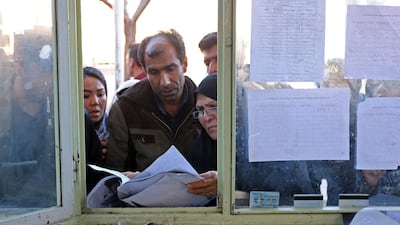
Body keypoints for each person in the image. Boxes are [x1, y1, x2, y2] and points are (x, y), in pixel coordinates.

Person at [105, 29, 201, 172]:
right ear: (145, 70)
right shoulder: (126, 109)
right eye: (154, 72)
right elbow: (114, 174)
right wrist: (126, 179)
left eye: (170, 69)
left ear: (184, 63)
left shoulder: (204, 105)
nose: (165, 82)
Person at [186, 74, 218, 198]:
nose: (206, 117)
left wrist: (227, 182)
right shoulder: (199, 150)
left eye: (213, 107)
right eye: (200, 110)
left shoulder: (254, 144)